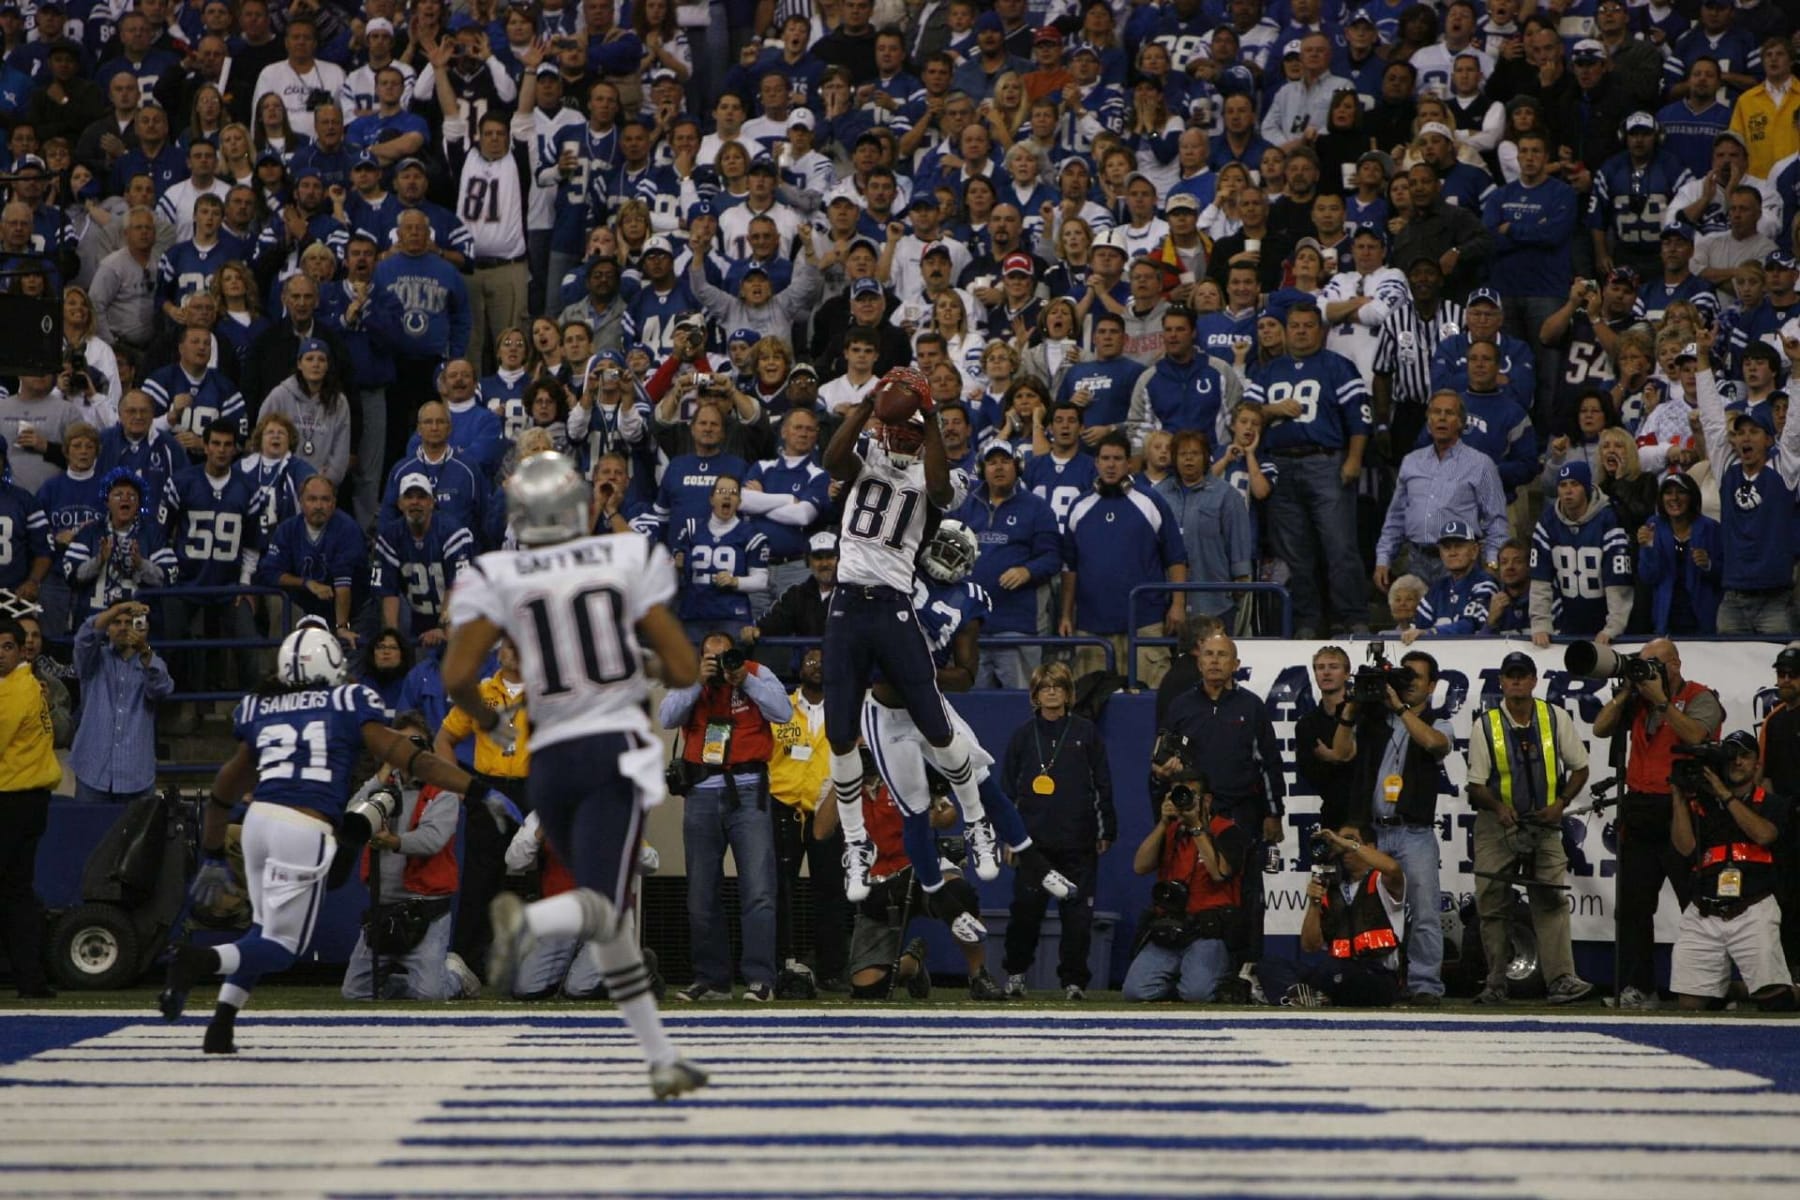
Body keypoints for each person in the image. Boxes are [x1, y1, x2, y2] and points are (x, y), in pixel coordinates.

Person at [437, 451, 706, 1097]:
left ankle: (660, 1058)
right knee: (605, 903)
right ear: (581, 506)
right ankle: (528, 924)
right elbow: (684, 668)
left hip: (549, 760)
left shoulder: (497, 571)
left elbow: (456, 675)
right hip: (612, 746)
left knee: (605, 913)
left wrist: (488, 720)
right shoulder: (624, 555)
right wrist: (636, 661)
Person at [158, 617, 523, 1054]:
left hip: (257, 822)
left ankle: (222, 1024)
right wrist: (478, 789)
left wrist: (214, 853)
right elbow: (414, 760)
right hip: (302, 826)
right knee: (280, 948)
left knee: (261, 930)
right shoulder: (348, 700)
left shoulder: (260, 706)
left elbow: (225, 785)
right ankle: (197, 960)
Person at [820, 366, 997, 905]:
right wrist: (868, 404)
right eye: (895, 428)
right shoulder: (866, 454)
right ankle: (856, 842)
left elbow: (941, 488)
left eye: (908, 431)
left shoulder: (936, 473)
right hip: (847, 603)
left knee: (937, 725)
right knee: (839, 732)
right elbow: (831, 459)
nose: (898, 437)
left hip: (894, 604)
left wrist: (932, 416)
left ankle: (976, 820)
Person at [1591, 638, 1724, 1009]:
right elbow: (1600, 729)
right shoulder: (1637, 701)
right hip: (1639, 809)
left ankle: (1708, 987)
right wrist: (1626, 693)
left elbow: (1696, 735)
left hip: (1684, 807)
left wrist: (1663, 702)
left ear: (1675, 664)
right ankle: (1639, 987)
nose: (1647, 670)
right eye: (1643, 662)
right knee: (1633, 907)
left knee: (1695, 903)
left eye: (1654, 663)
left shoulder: (1701, 697)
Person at [659, 630, 788, 1001]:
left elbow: (782, 712)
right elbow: (667, 717)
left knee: (758, 889)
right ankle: (712, 980)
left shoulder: (756, 672)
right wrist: (696, 681)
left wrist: (744, 680)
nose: (719, 664)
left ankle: (760, 979)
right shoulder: (690, 676)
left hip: (749, 790)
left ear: (737, 655)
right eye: (710, 658)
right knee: (701, 892)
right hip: (701, 791)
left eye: (725, 656)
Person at [1465, 651, 1595, 1007]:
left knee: (1551, 898)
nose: (1517, 681)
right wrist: (1498, 807)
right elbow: (1475, 785)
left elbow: (1580, 767)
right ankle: (1495, 983)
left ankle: (1561, 979)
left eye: (1523, 675)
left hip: (1545, 821)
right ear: (1502, 682)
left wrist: (1561, 804)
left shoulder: (1555, 717)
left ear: (1534, 680)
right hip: (1497, 824)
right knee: (1492, 900)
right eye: (1511, 675)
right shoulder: (1486, 724)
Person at [1155, 632, 1284, 970]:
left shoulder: (1250, 706)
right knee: (1186, 887)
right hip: (1191, 813)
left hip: (1240, 813)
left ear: (1235, 664)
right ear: (1198, 662)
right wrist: (1162, 774)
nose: (1214, 660)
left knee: (1248, 893)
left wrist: (1274, 813)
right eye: (1208, 654)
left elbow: (1269, 764)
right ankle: (1183, 964)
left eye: (1222, 655)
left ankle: (1247, 969)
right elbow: (1161, 757)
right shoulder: (1181, 706)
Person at [1243, 301, 1370, 639]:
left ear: (1321, 330)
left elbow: (1359, 418)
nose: (1301, 331)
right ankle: (1306, 622)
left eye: (1308, 325)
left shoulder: (1338, 366)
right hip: (1279, 465)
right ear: (1286, 331)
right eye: (1295, 325)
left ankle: (1352, 618)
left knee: (1340, 546)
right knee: (1293, 553)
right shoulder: (1268, 371)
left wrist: (1354, 459)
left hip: (1326, 462)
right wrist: (1272, 409)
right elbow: (1245, 414)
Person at [340, 712, 477, 1003]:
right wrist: (384, 770)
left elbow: (433, 839)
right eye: (398, 744)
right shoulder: (382, 787)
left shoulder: (444, 790)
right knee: (355, 993)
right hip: (383, 908)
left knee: (429, 994)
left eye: (414, 744)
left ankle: (454, 976)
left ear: (428, 750)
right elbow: (352, 815)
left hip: (425, 909)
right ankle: (414, 980)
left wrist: (394, 841)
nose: (406, 751)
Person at [1342, 648, 1453, 1005]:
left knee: (1424, 911)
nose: (1408, 682)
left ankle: (1425, 985)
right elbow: (1341, 752)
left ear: (1432, 686)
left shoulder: (1438, 721)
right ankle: (1377, 979)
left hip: (1413, 832)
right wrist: (1351, 711)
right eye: (1403, 675)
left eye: (1416, 677)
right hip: (1374, 830)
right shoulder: (1376, 721)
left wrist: (1401, 709)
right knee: (1369, 908)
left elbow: (1435, 744)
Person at [999, 661, 1114, 1001]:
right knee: (1025, 913)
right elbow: (1007, 791)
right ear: (1035, 695)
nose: (1051, 692)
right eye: (1045, 687)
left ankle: (1074, 983)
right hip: (1032, 845)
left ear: (1068, 693)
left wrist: (1105, 829)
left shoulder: (1086, 733)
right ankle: (1016, 974)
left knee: (1078, 918)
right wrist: (1009, 838)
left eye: (1058, 686)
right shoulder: (1023, 735)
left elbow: (1102, 784)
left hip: (1078, 840)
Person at [1670, 730, 1797, 1012]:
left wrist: (1725, 795)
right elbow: (1685, 848)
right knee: (1690, 1004)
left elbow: (1764, 835)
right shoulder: (1703, 804)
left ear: (1757, 765)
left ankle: (1768, 990)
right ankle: (1730, 990)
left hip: (1752, 906)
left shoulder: (1774, 803)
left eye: (1745, 756)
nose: (1737, 762)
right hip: (1705, 909)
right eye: (1731, 756)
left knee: (1774, 1001)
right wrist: (1678, 798)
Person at [432, 635, 533, 981]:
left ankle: (545, 962)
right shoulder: (480, 693)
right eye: (509, 645)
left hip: (534, 787)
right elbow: (444, 739)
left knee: (543, 874)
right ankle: (466, 963)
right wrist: (459, 788)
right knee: (479, 879)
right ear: (499, 652)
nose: (514, 651)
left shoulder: (548, 693)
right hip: (491, 789)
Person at [1058, 431, 1188, 686]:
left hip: (1145, 623)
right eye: (1105, 458)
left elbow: (1176, 557)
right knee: (1090, 702)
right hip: (1092, 626)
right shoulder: (1079, 507)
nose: (1111, 465)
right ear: (1096, 463)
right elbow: (1069, 568)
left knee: (1149, 701)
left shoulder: (1151, 502)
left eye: (1117, 459)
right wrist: (1065, 615)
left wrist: (1178, 604)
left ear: (1129, 464)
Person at [1692, 337, 1800, 634]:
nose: (1745, 438)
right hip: (1733, 600)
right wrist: (1702, 358)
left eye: (1754, 431)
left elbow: (1794, 426)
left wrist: (1797, 367)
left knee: (1779, 665)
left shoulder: (1783, 469)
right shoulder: (1728, 470)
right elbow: (1712, 421)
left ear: (1769, 439)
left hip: (1775, 600)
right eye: (1740, 433)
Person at [1122, 767, 1247, 1003]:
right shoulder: (1170, 831)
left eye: (1189, 795)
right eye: (1176, 795)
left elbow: (1220, 873)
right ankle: (1179, 982)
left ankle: (1207, 980)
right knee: (1135, 992)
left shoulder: (1227, 831)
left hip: (1207, 931)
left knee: (1197, 994)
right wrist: (1162, 824)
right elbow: (1140, 866)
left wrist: (1197, 828)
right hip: (1170, 927)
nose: (1182, 802)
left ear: (1206, 800)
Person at [766, 646, 848, 990]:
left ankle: (831, 971)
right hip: (781, 806)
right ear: (799, 668)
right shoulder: (779, 707)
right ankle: (778, 965)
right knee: (778, 889)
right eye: (811, 660)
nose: (818, 665)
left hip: (827, 807)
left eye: (825, 661)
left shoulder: (846, 709)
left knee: (831, 891)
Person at [1258, 821, 1406, 1008]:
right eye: (1338, 842)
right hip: (1335, 971)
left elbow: (1393, 868)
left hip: (1376, 974)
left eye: (1350, 840)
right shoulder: (1333, 887)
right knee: (1269, 965)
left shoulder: (1381, 882)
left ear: (1370, 847)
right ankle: (1303, 996)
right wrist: (1314, 904)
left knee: (1334, 970)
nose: (1342, 847)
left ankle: (1312, 995)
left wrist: (1346, 843)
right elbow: (1310, 946)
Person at [1374, 392, 1509, 593]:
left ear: (1461, 423)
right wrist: (1383, 559)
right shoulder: (1411, 462)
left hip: (1460, 563)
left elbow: (1496, 521)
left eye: (1449, 413)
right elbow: (1396, 518)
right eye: (1436, 412)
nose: (1442, 418)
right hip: (1416, 562)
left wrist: (1492, 564)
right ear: (1428, 421)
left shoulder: (1481, 464)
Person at [956, 442, 1061, 690]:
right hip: (971, 626)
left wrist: (1028, 571)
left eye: (1005, 461)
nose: (999, 467)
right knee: (974, 705)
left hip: (1017, 626)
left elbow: (1053, 557)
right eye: (992, 462)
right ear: (981, 469)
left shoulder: (1037, 508)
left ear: (1018, 467)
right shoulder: (963, 506)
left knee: (1023, 701)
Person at [0, 615, 61, 998]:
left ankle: (29, 976)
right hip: (29, 800)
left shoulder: (13, 694)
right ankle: (30, 978)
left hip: (11, 800)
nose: (0, 654)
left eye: (7, 646)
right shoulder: (29, 686)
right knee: (17, 891)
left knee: (14, 892)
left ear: (21, 650)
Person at [69, 598, 171, 806]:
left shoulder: (152, 662)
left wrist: (144, 650)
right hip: (93, 771)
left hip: (136, 775)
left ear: (142, 627)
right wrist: (118, 608)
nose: (123, 628)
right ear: (107, 628)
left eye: (129, 622)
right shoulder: (92, 660)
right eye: (116, 622)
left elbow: (161, 689)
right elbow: (83, 638)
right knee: (88, 828)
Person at [1528, 463, 1633, 648]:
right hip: (1567, 623)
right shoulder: (1547, 522)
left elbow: (1618, 581)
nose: (1568, 491)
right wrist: (1540, 623)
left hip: (1605, 623)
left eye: (1574, 484)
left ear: (1586, 487)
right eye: (1563, 485)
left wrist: (1614, 626)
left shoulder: (1608, 519)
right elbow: (1540, 579)